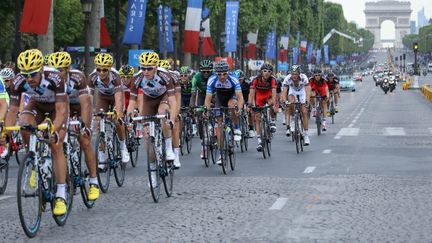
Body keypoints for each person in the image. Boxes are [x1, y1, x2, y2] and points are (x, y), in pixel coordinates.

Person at [3, 49, 69, 215]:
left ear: (40, 69)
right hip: (37, 105)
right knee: (24, 124)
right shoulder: (18, 81)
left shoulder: (55, 78)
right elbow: (12, 111)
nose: (29, 79)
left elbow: (61, 110)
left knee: (56, 144)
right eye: (26, 75)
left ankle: (61, 194)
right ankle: (33, 157)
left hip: (56, 106)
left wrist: (54, 130)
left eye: (32, 74)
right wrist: (5, 135)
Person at [48, 51, 99, 201]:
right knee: (55, 139)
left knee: (84, 140)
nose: (58, 74)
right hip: (62, 107)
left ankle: (94, 181)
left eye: (61, 70)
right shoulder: (50, 80)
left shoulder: (78, 78)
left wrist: (86, 126)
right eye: (55, 70)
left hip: (78, 107)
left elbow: (86, 104)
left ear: (68, 69)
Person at [126, 52, 177, 185]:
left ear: (155, 67)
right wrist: (129, 118)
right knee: (147, 137)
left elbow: (173, 100)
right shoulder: (137, 78)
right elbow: (132, 102)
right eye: (143, 68)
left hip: (163, 98)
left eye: (149, 68)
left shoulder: (164, 76)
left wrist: (172, 118)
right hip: (149, 101)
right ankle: (153, 171)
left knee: (162, 112)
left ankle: (168, 147)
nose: (146, 71)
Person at [88, 53, 130, 166]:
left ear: (110, 69)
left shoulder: (115, 77)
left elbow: (119, 99)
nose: (101, 72)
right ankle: (102, 156)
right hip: (103, 97)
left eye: (104, 70)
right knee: (98, 122)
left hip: (116, 96)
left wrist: (117, 111)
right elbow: (89, 97)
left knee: (118, 120)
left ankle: (122, 147)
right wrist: (90, 111)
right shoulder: (92, 77)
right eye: (99, 69)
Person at [204, 60, 244, 165]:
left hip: (232, 96)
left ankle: (236, 127)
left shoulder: (233, 79)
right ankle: (221, 154)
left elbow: (240, 98)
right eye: (219, 74)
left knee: (232, 106)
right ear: (215, 73)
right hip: (220, 98)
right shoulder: (212, 80)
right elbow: (208, 100)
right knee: (219, 125)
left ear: (228, 72)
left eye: (224, 74)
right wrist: (206, 110)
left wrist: (239, 109)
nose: (222, 76)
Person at [248, 63, 278, 152]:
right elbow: (251, 94)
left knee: (272, 104)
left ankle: (272, 121)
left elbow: (274, 94)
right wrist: (250, 104)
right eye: (265, 71)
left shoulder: (273, 80)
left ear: (271, 73)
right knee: (257, 117)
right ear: (261, 72)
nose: (267, 73)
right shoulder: (255, 80)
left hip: (268, 96)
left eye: (269, 71)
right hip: (259, 97)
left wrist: (274, 105)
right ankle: (259, 141)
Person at [281, 65, 311, 145]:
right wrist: (284, 101)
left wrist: (307, 100)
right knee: (290, 102)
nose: (294, 76)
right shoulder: (287, 78)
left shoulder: (304, 78)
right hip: (292, 91)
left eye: (296, 74)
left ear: (299, 74)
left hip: (302, 92)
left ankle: (306, 135)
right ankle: (293, 118)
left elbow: (308, 90)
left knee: (304, 112)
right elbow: (284, 91)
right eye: (292, 74)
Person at [191, 60, 213, 159]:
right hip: (201, 96)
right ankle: (202, 142)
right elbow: (193, 93)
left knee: (215, 112)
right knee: (200, 117)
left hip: (213, 95)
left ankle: (216, 131)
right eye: (203, 71)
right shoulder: (196, 77)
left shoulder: (214, 76)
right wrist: (191, 107)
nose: (206, 73)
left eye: (208, 71)